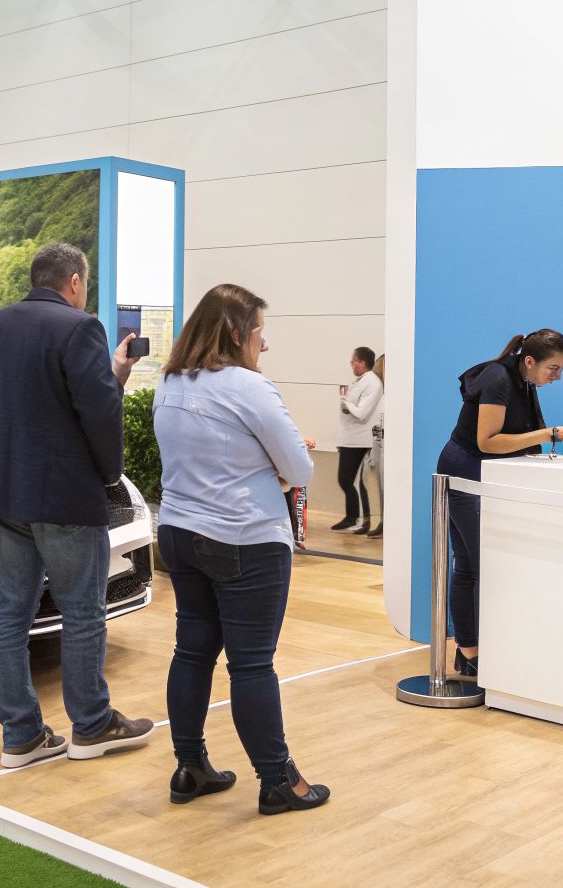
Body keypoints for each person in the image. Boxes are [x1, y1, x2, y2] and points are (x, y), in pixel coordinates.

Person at [0, 242, 153, 769]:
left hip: (5, 495)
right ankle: (91, 726)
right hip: (66, 496)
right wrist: (110, 473)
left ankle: (20, 736)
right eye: (83, 285)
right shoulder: (79, 328)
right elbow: (97, 413)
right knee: (83, 614)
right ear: (73, 281)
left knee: (8, 616)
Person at [153, 283, 328, 815]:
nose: (264, 345)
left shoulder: (170, 381)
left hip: (180, 532)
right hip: (243, 538)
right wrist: (274, 471)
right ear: (236, 333)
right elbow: (299, 469)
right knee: (251, 665)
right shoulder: (249, 388)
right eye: (259, 333)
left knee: (192, 651)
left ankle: (190, 767)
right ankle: (278, 781)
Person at [436, 330, 563, 677]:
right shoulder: (497, 379)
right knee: (476, 566)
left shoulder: (521, 379)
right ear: (530, 361)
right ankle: (470, 650)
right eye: (554, 368)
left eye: (562, 369)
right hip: (467, 472)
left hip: (484, 474)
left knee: (473, 565)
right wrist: (550, 434)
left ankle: (470, 649)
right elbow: (487, 441)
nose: (558, 376)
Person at [331, 347, 381, 534]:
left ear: (362, 362)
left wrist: (346, 403)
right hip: (349, 438)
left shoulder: (372, 383)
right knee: (346, 480)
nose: (351, 364)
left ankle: (359, 519)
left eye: (353, 361)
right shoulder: (361, 381)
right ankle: (352, 517)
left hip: (359, 441)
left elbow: (362, 412)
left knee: (351, 480)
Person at [367, 353, 386, 540]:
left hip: (387, 444)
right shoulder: (379, 394)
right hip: (378, 442)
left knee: (387, 487)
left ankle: (388, 522)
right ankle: (384, 522)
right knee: (381, 487)